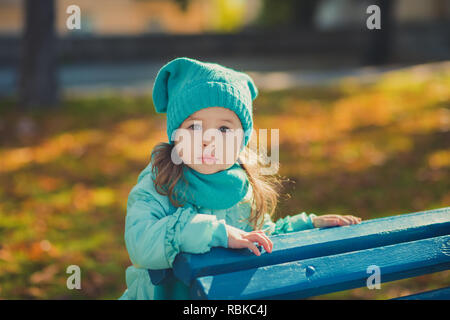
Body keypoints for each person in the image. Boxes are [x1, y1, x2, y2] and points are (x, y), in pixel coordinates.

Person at [118, 57, 361, 300]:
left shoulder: (242, 187)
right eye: (194, 127)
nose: (208, 139)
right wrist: (216, 232)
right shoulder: (158, 183)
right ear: (175, 136)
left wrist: (307, 226)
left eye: (224, 129)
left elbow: (259, 234)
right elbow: (141, 241)